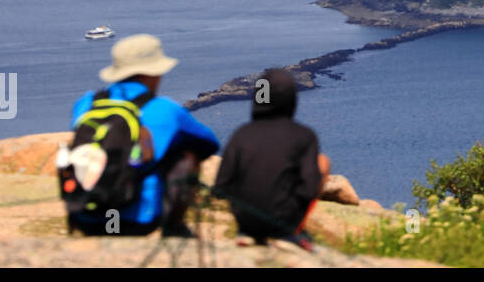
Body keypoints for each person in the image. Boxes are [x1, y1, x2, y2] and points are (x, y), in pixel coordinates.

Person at [66, 33, 219, 237]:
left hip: (82, 216)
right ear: (152, 74)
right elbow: (209, 144)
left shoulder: (86, 103)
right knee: (186, 155)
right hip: (137, 221)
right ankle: (174, 227)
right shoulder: (166, 109)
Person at [214, 68, 329, 248]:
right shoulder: (304, 135)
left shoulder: (241, 135)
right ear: (291, 100)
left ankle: (248, 234)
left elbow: (221, 187)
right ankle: (296, 230)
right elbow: (308, 187)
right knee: (323, 162)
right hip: (283, 222)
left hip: (246, 222)